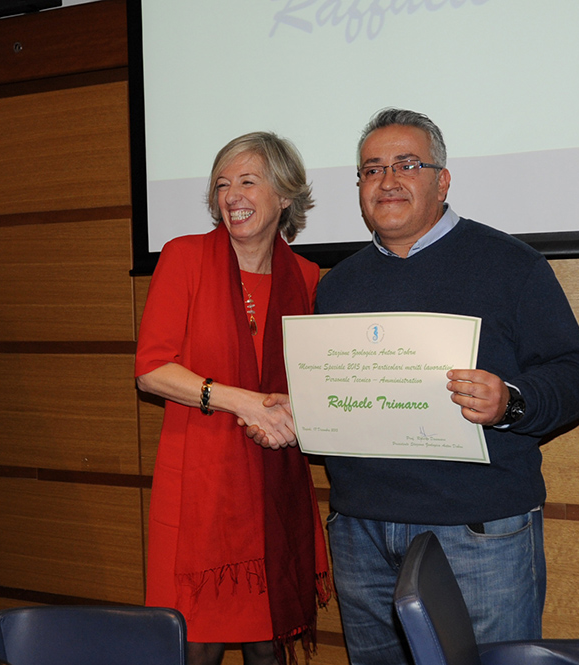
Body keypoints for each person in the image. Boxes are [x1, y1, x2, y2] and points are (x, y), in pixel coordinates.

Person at [315, 109, 579, 664]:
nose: (387, 181)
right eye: (371, 169)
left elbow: (575, 373)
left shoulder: (511, 265)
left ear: (442, 181)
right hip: (359, 531)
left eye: (407, 165)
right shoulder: (339, 286)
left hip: (477, 531)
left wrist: (510, 402)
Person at [135, 132, 330, 665]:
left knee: (268, 646)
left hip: (271, 483)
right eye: (222, 185)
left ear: (284, 195)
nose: (232, 195)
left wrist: (293, 411)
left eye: (247, 181)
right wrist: (242, 401)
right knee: (198, 645)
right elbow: (150, 371)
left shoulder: (306, 277)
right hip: (199, 483)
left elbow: (311, 379)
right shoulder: (185, 257)